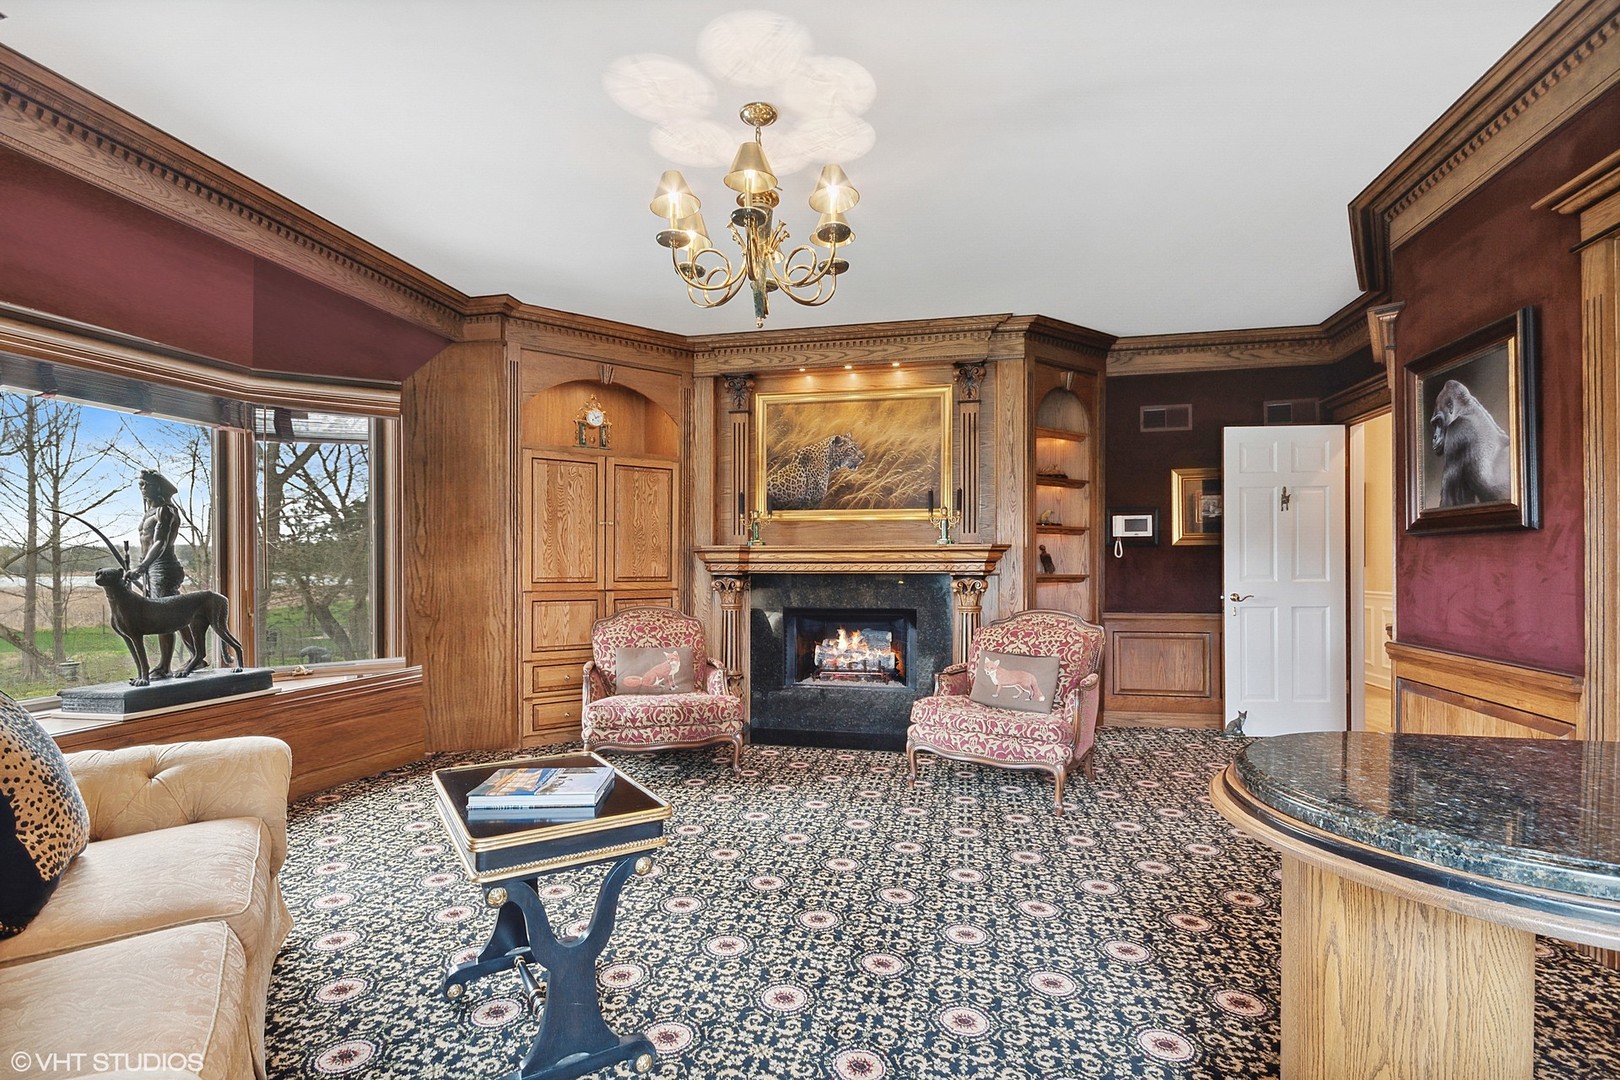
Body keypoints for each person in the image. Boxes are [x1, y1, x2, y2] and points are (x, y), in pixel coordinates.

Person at [127, 469, 186, 678]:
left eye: (148, 484)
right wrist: (142, 567)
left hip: (164, 567)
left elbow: (160, 542)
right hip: (151, 568)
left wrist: (142, 566)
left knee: (165, 617)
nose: (143, 489)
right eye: (141, 485)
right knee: (179, 614)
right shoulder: (148, 513)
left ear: (159, 487)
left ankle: (164, 666)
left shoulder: (166, 510)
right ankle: (198, 655)